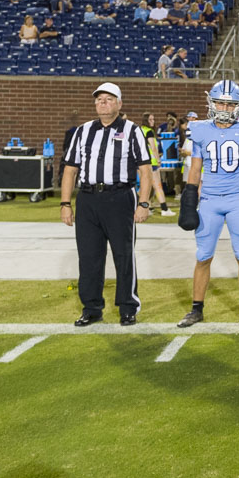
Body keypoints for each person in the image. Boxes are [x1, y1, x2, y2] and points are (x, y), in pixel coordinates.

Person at [175, 82, 239, 328]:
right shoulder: (200, 130)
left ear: (238, 106)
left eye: (230, 104)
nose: (225, 108)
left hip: (238, 200)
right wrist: (189, 200)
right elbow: (195, 169)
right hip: (209, 200)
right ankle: (196, 309)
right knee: (203, 255)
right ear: (211, 103)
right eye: (221, 102)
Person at [60, 82, 154, 326]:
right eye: (99, 99)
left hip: (120, 197)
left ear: (119, 104)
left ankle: (127, 307)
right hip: (88, 199)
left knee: (124, 255)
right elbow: (70, 170)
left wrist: (143, 204)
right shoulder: (82, 131)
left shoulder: (133, 131)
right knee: (89, 256)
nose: (103, 102)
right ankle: (91, 308)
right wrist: (65, 203)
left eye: (109, 99)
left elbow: (145, 171)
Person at [138, 113, 174, 216]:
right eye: (150, 119)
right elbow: (153, 148)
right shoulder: (149, 131)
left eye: (153, 119)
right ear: (146, 120)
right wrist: (158, 159)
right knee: (158, 186)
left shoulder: (140, 130)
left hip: (140, 162)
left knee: (144, 186)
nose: (153, 121)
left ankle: (144, 206)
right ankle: (164, 209)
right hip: (151, 163)